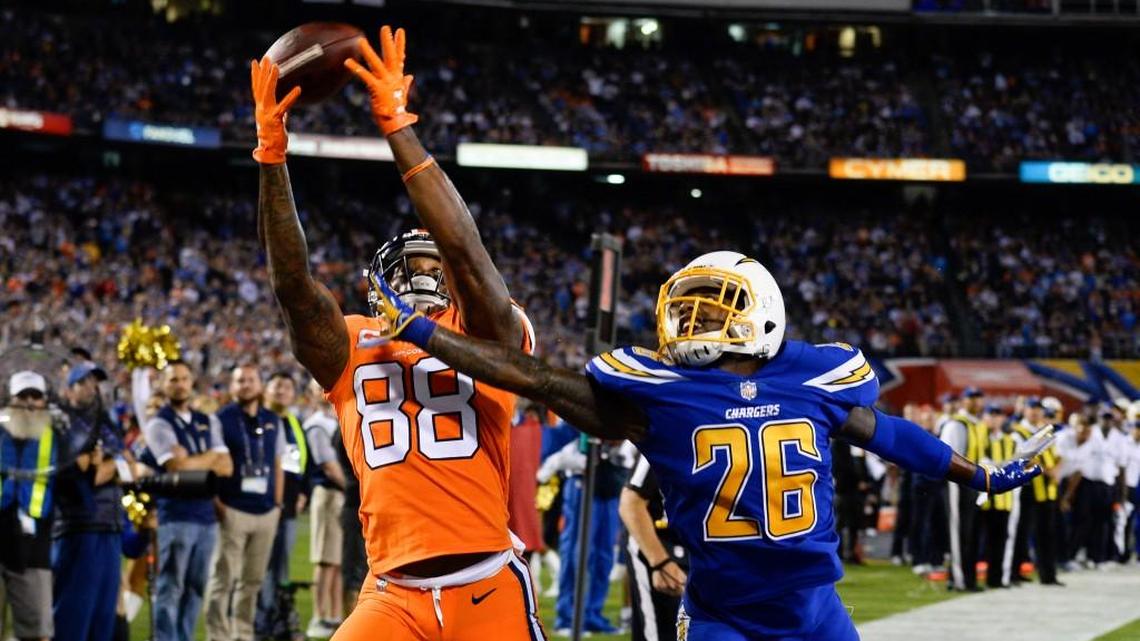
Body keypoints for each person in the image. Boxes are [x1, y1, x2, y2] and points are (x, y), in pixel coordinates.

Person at [365, 249, 1051, 640]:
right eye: (687, 305)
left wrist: (980, 475)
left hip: (816, 607)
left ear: (763, 310)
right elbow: (539, 377)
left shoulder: (812, 377)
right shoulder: (662, 392)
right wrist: (424, 333)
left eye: (713, 305)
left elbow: (894, 436)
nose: (692, 318)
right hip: (725, 610)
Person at [251, 24, 540, 641]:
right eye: (414, 264)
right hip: (392, 594)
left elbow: (467, 250)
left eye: (434, 265)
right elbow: (292, 287)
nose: (425, 272)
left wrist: (397, 127)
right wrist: (272, 158)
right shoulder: (349, 341)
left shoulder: (485, 328)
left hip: (487, 581)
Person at [141, 360, 233, 641]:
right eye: (173, 380)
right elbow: (175, 469)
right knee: (170, 587)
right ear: (163, 385)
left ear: (191, 382)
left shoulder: (207, 419)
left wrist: (191, 460)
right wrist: (208, 459)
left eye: (183, 378)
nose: (179, 384)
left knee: (195, 587)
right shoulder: (158, 424)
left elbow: (226, 465)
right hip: (175, 515)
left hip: (206, 517)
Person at [204, 365, 284, 641]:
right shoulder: (221, 419)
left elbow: (277, 462)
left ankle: (243, 633)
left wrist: (277, 504)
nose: (246, 385)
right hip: (232, 508)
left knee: (252, 581)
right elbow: (212, 464)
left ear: (260, 385)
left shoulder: (273, 419)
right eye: (240, 381)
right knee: (223, 579)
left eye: (251, 380)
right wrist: (217, 502)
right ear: (232, 386)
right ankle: (218, 635)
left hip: (265, 512)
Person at [53, 360, 125, 641]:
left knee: (102, 620)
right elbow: (84, 470)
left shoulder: (104, 420)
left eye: (94, 382)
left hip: (110, 524)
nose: (91, 388)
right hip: (78, 526)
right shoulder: (61, 421)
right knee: (73, 617)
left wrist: (107, 465)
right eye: (83, 382)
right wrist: (110, 466)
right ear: (68, 389)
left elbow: (123, 461)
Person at [0, 372, 60, 641]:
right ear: (10, 399)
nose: (29, 402)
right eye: (22, 396)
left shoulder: (56, 436)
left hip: (35, 540)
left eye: (36, 396)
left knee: (38, 630)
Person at [257, 372, 309, 639]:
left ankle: (278, 619)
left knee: (281, 567)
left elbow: (302, 462)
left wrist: (303, 491)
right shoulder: (260, 419)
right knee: (260, 567)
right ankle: (260, 622)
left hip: (289, 507)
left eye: (286, 386)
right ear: (266, 390)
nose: (281, 391)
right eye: (276, 385)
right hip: (262, 506)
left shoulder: (293, 422)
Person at [620, 453, 687, 641]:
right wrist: (659, 561)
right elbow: (630, 503)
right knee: (663, 633)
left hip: (698, 549)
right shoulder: (664, 439)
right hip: (659, 546)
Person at [302, 379, 348, 638]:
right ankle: (320, 616)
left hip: (339, 494)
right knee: (325, 559)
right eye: (315, 387)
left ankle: (333, 614)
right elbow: (329, 465)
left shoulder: (334, 418)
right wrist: (354, 488)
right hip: (329, 493)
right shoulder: (316, 424)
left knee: (337, 560)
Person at [940, 386, 989, 591]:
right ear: (964, 401)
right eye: (972, 398)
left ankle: (968, 578)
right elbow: (948, 456)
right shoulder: (956, 424)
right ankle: (959, 579)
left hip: (972, 484)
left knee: (970, 533)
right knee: (959, 533)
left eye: (979, 398)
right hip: (956, 484)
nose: (976, 402)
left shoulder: (977, 425)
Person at [1011, 397, 1062, 585]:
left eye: (1038, 409)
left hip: (1047, 489)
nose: (1035, 412)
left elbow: (1056, 456)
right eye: (1032, 408)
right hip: (1028, 487)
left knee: (1047, 533)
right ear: (1025, 410)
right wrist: (1047, 470)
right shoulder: (1018, 431)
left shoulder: (1043, 432)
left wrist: (1056, 469)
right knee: (1021, 531)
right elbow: (1020, 456)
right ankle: (1014, 572)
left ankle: (1048, 575)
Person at [979, 405, 1018, 588]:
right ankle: (980, 577)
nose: (994, 419)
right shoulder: (980, 439)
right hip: (983, 497)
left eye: (997, 415)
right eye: (991, 414)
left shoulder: (1011, 441)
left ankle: (997, 578)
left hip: (1004, 499)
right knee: (982, 539)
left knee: (1000, 539)